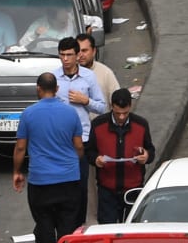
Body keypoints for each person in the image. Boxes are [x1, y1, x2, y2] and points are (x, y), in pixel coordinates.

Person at [12, 72, 84, 243]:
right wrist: (75, 160)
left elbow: (21, 147)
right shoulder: (71, 113)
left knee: (44, 227)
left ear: (38, 89)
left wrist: (17, 171)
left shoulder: (28, 114)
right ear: (57, 89)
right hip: (68, 181)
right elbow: (79, 146)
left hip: (40, 182)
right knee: (67, 228)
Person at [86, 88, 154, 223]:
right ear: (111, 106)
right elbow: (89, 151)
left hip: (133, 189)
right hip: (107, 190)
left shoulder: (141, 124)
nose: (121, 117)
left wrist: (146, 156)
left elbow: (151, 150)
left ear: (130, 106)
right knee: (107, 230)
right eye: (118, 113)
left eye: (125, 113)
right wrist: (96, 159)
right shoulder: (98, 125)